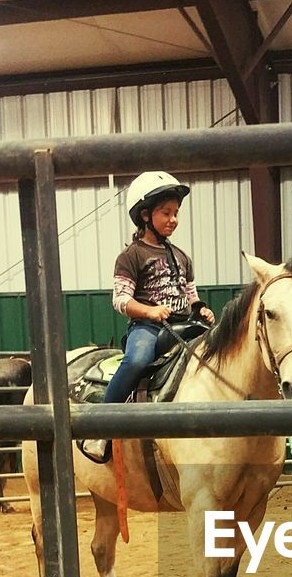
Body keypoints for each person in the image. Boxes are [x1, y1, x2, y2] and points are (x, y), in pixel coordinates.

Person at [81, 170, 215, 462]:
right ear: (145, 215)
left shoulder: (182, 257)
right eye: (165, 212)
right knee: (137, 360)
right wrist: (150, 311)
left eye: (176, 213)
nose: (173, 219)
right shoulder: (131, 256)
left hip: (185, 325)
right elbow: (120, 300)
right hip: (148, 327)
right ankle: (99, 429)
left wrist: (201, 309)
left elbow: (191, 295)